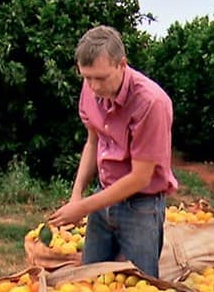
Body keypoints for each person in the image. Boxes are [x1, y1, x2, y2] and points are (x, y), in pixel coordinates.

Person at [47, 25, 176, 278]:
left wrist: (83, 207)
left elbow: (140, 177)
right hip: (103, 195)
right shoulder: (92, 87)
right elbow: (93, 142)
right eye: (86, 77)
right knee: (89, 280)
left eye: (101, 78)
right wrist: (76, 196)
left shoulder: (150, 103)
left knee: (140, 287)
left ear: (122, 64)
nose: (93, 86)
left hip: (141, 205)